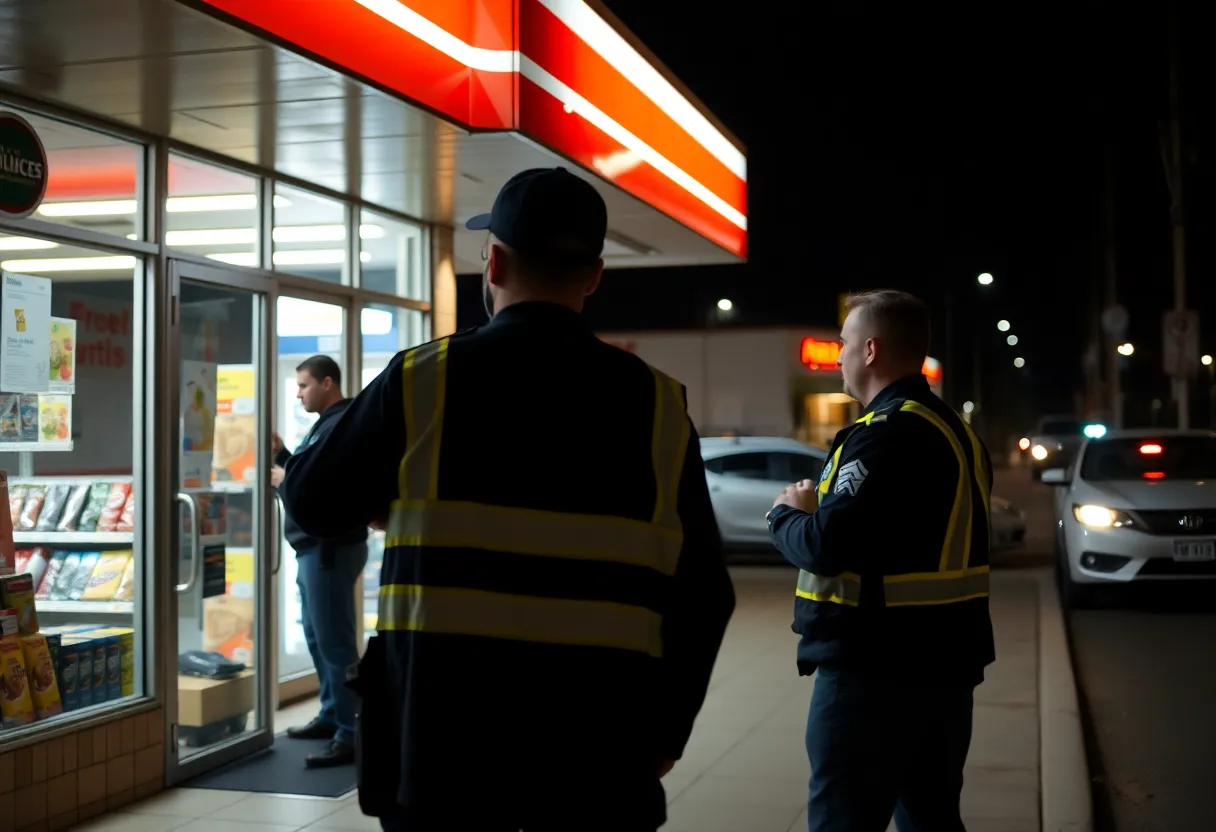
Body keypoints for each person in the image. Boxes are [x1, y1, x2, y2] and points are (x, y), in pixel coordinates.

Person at [280, 167, 736, 832]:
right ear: (594, 275)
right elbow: (704, 593)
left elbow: (310, 501)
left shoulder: (423, 379)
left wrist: (392, 500)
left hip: (441, 751)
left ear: (492, 261)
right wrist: (665, 732)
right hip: (598, 752)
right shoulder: (658, 405)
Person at [767, 290, 996, 832]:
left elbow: (826, 545)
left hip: (873, 676)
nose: (839, 354)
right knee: (933, 819)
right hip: (942, 669)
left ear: (870, 350)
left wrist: (786, 513)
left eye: (844, 343)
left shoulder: (887, 434)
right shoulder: (955, 431)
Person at [271, 354, 368, 768]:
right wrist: (284, 459)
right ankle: (333, 715)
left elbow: (320, 486)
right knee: (317, 637)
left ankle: (352, 733)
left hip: (328, 550)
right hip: (314, 549)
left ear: (328, 383)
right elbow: (312, 473)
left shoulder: (340, 422)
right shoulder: (328, 423)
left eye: (304, 385)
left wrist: (285, 475)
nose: (298, 393)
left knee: (336, 645)